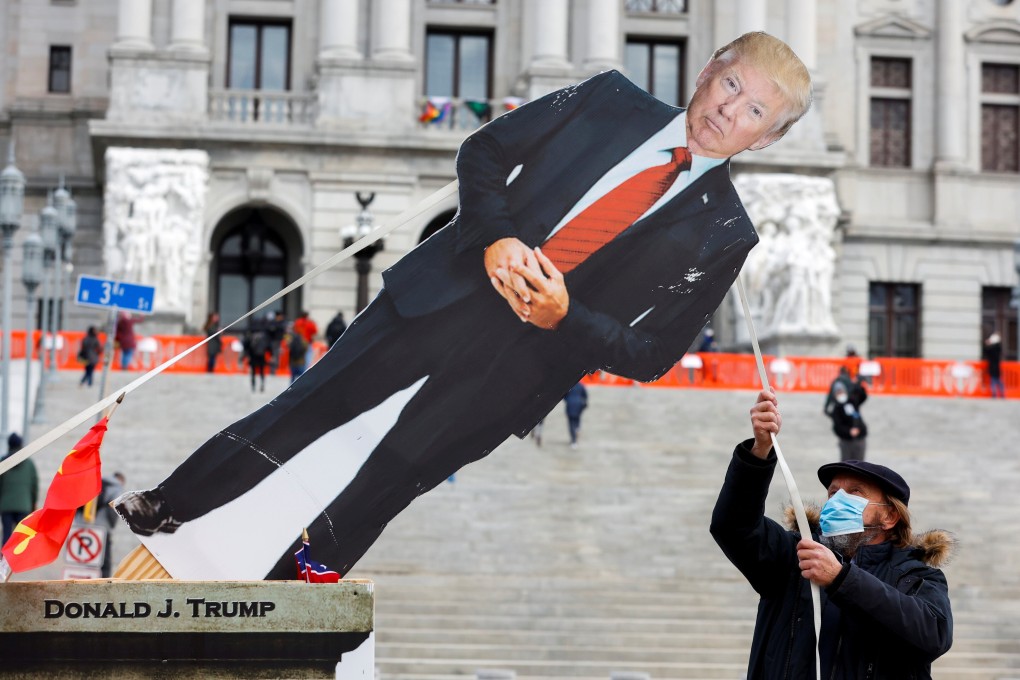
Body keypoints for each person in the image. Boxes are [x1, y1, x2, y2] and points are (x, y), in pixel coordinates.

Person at [116, 32, 814, 579]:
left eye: (753, 109)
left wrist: (563, 317)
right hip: (441, 298)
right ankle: (172, 501)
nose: (728, 109)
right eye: (730, 84)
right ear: (706, 72)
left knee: (389, 479)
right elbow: (485, 150)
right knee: (306, 407)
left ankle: (285, 600)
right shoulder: (609, 99)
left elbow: (653, 354)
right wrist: (495, 235)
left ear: (769, 136)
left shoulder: (726, 232)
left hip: (516, 369)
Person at [710, 390, 954, 678]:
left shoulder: (916, 577)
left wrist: (841, 579)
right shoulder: (794, 556)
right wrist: (760, 450)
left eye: (855, 493)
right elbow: (733, 526)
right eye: (833, 492)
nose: (838, 500)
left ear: (889, 516)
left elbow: (934, 634)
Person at [0, 434, 37, 544]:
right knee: (21, 537)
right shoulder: (29, 464)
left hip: (6, 505)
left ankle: (3, 559)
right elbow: (34, 486)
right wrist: (33, 503)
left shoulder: (3, 461)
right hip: (24, 506)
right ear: (21, 445)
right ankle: (17, 560)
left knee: (6, 535)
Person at [827, 377, 868, 461]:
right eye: (838, 393)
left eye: (841, 392)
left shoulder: (852, 401)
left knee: (860, 465)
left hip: (860, 439)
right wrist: (849, 431)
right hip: (846, 442)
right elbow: (837, 427)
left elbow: (862, 397)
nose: (840, 394)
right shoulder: (836, 409)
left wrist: (859, 386)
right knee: (846, 464)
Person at [97, 472, 126, 578]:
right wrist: (112, 525)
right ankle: (104, 588)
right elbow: (113, 511)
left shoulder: (98, 483)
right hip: (103, 529)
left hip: (83, 526)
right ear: (121, 480)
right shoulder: (116, 487)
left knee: (87, 560)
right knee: (105, 563)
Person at [243, 322, 271, 392]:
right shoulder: (264, 337)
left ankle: (253, 386)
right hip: (261, 355)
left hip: (253, 356)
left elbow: (246, 346)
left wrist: (246, 355)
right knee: (262, 371)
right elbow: (268, 346)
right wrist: (271, 354)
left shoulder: (251, 336)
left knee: (253, 372)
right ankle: (262, 385)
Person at [563, 381, 588, 449]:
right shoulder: (581, 385)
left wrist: (568, 400)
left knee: (571, 424)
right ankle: (577, 429)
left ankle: (573, 441)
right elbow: (585, 396)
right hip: (578, 405)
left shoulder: (569, 386)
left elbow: (564, 396)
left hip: (570, 405)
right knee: (577, 419)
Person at [983, 331, 1004, 398]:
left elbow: (987, 351)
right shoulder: (997, 348)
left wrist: (988, 344)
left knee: (994, 381)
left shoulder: (994, 348)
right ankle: (1001, 394)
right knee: (997, 381)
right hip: (996, 368)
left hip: (993, 367)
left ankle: (995, 394)